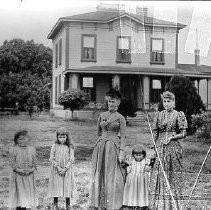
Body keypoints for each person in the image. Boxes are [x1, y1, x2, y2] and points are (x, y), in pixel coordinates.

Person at [150, 91, 188, 210]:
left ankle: (173, 204)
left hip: (173, 146)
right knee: (160, 171)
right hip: (161, 145)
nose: (166, 104)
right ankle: (160, 204)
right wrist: (154, 144)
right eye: (165, 101)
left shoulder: (178, 114)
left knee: (172, 172)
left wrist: (171, 137)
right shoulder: (159, 114)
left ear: (173, 102)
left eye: (169, 101)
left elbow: (183, 133)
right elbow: (155, 131)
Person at [91, 89, 127, 210]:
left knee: (112, 174)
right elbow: (98, 132)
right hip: (101, 146)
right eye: (109, 101)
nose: (111, 104)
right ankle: (100, 202)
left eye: (113, 101)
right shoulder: (102, 115)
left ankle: (113, 203)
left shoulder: (120, 118)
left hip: (113, 147)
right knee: (100, 171)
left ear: (118, 103)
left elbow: (123, 136)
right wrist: (103, 136)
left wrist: (122, 151)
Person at [8, 130, 37, 210]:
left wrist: (31, 170)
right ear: (16, 140)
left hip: (29, 176)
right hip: (18, 176)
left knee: (28, 195)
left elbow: (35, 163)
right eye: (20, 139)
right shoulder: (13, 150)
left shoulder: (32, 149)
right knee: (20, 194)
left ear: (29, 139)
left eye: (24, 139)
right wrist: (19, 170)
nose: (22, 141)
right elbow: (12, 163)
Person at [48, 127, 75, 210]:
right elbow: (51, 158)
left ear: (67, 137)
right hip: (57, 169)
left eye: (64, 137)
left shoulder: (70, 146)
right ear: (57, 137)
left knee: (67, 186)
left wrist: (65, 169)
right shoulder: (55, 146)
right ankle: (55, 204)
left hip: (67, 170)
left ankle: (68, 205)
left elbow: (72, 159)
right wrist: (58, 168)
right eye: (60, 137)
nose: (62, 139)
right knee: (56, 185)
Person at [123, 145, 151, 210]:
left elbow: (148, 168)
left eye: (140, 155)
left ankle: (141, 204)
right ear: (133, 155)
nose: (138, 156)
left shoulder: (145, 161)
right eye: (136, 155)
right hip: (132, 180)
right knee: (132, 191)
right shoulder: (131, 160)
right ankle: (132, 204)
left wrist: (147, 168)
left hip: (142, 180)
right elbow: (124, 164)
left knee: (141, 192)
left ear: (143, 155)